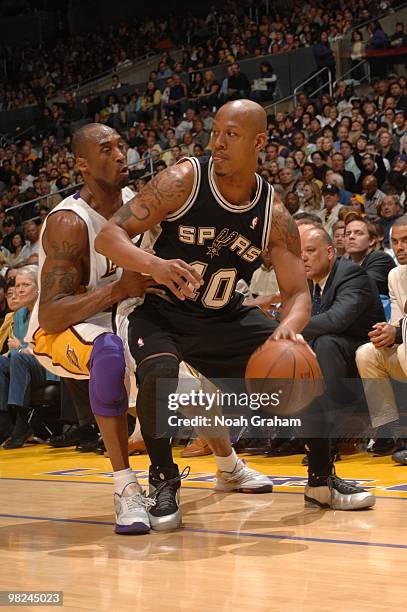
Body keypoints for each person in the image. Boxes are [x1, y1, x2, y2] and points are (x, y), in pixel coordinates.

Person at [96, 99, 375, 531]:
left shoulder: (272, 212)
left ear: (258, 142)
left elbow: (297, 292)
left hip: (222, 316)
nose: (218, 142)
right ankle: (163, 481)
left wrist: (287, 330)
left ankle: (321, 479)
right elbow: (109, 235)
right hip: (160, 311)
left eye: (231, 134)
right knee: (160, 376)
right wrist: (154, 265)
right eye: (216, 132)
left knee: (304, 364)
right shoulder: (184, 179)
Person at [25, 123, 156, 535]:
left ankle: (228, 465)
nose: (120, 155)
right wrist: (118, 288)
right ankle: (125, 488)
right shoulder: (69, 221)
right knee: (109, 353)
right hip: (63, 329)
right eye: (106, 149)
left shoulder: (136, 204)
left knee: (182, 358)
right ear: (82, 165)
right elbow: (50, 314)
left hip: (120, 315)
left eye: (122, 146)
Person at [356, 216, 407, 457]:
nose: (400, 247)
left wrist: (397, 333)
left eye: (406, 240)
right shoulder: (395, 275)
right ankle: (387, 430)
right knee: (366, 352)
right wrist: (386, 333)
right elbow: (397, 322)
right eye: (395, 241)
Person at [0, 266, 58, 448]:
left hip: (48, 365)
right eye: (17, 285)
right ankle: (4, 421)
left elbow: (49, 345)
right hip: (24, 364)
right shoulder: (18, 315)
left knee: (18, 357)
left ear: (39, 287)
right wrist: (22, 349)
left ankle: (22, 420)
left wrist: (24, 349)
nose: (20, 289)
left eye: (26, 284)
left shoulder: (49, 311)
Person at [344, 216, 396, 296]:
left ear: (371, 241)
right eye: (347, 234)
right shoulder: (343, 261)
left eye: (358, 233)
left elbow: (363, 285)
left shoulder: (381, 258)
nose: (351, 237)